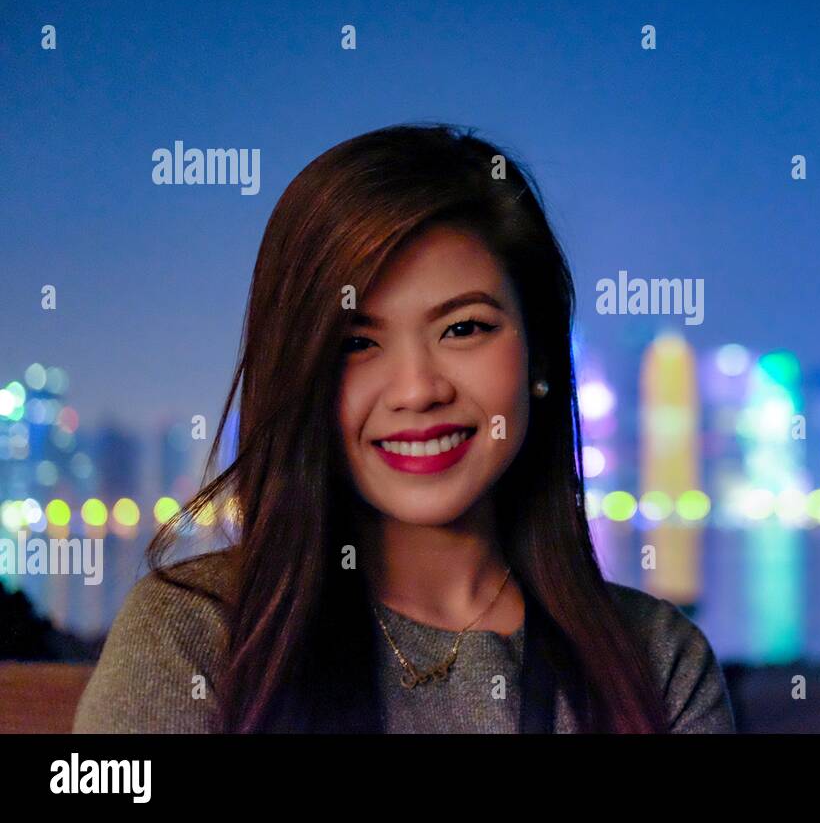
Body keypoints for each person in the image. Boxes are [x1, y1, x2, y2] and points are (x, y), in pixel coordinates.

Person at [73, 124, 736, 733]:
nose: (418, 390)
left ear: (538, 354)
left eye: (464, 328)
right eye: (357, 344)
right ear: (300, 373)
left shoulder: (657, 665)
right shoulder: (196, 637)